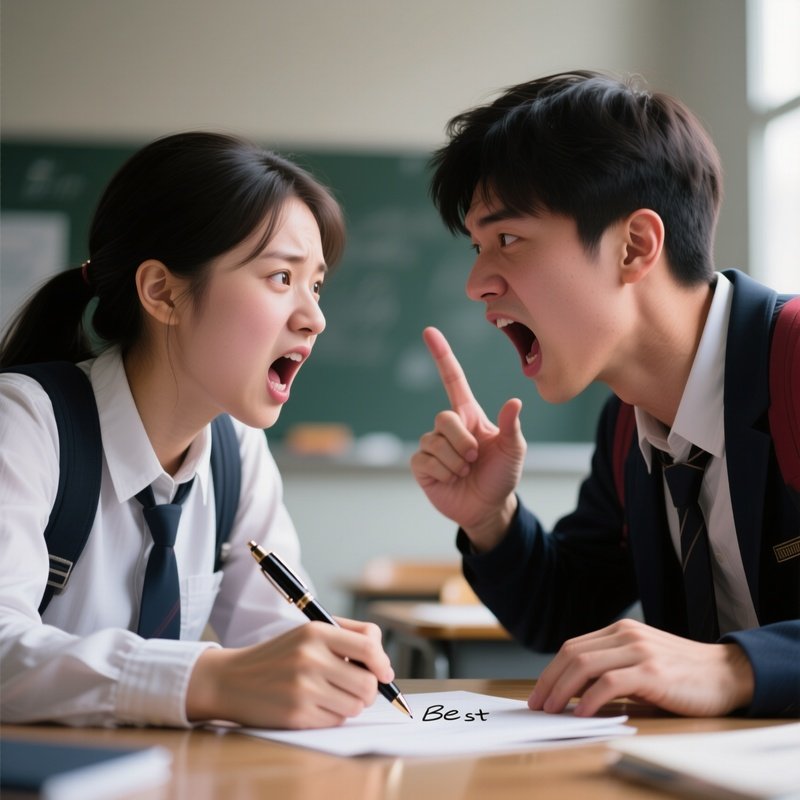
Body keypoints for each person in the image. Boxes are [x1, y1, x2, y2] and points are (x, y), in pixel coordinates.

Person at [411, 70, 799, 718]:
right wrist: (490, 518)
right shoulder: (628, 419)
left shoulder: (790, 359)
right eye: (479, 247)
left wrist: (733, 667)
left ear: (634, 246)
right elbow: (562, 611)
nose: (478, 281)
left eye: (508, 239)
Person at [0, 131, 394, 729]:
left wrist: (325, 666)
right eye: (281, 278)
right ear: (163, 292)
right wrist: (205, 680)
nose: (315, 317)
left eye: (315, 284)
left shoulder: (238, 452)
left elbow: (278, 630)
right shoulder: (25, 422)